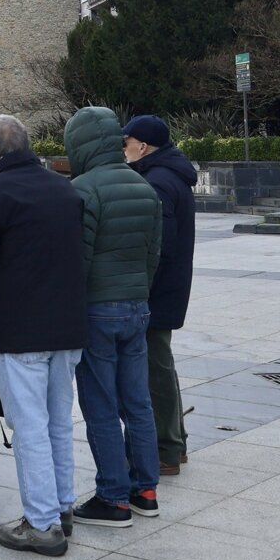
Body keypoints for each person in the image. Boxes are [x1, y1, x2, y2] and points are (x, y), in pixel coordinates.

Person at [0, 114, 87, 557]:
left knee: (30, 425)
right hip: (68, 324)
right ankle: (61, 505)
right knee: (57, 420)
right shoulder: (63, 186)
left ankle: (41, 523)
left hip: (22, 328)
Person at [65, 106, 163, 528]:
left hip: (97, 311)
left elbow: (78, 261)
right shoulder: (143, 186)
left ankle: (113, 497)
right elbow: (153, 255)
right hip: (136, 306)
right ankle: (145, 489)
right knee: (138, 402)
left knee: (101, 405)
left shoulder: (84, 189)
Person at [124, 116, 197, 478]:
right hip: (167, 287)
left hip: (157, 291)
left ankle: (167, 448)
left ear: (143, 146)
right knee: (160, 364)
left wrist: (139, 287)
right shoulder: (167, 175)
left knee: (155, 368)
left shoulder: (159, 181)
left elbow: (159, 246)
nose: (124, 149)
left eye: (127, 142)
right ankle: (174, 442)